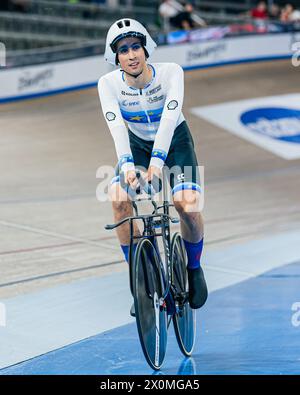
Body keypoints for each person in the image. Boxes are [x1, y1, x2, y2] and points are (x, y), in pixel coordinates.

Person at [98, 19, 208, 316]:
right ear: (116, 57)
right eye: (123, 50)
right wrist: (128, 165)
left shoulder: (172, 72)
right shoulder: (108, 84)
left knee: (186, 204)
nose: (131, 55)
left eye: (136, 47)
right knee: (118, 198)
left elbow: (170, 121)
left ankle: (194, 267)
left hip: (175, 143)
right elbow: (117, 128)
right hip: (137, 146)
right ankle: (141, 283)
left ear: (146, 49)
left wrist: (158, 164)